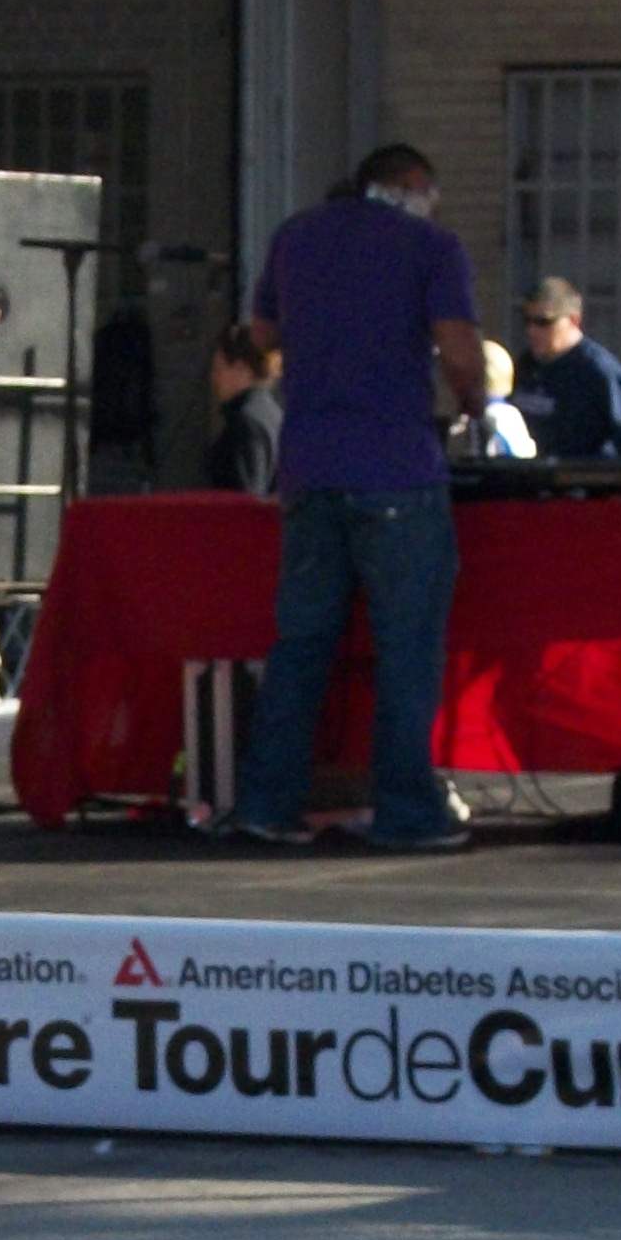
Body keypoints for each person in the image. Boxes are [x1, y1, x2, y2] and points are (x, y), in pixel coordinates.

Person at [228, 144, 486, 850]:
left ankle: (267, 802)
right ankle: (407, 810)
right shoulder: (431, 245)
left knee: (302, 644)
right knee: (407, 647)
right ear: (410, 185)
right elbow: (461, 352)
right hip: (397, 467)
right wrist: (474, 399)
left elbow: (263, 337)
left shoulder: (295, 236)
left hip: (309, 468)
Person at [512, 279, 621, 459]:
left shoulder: (597, 370)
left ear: (574, 320)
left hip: (577, 480)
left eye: (543, 322)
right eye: (527, 321)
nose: (531, 330)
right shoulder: (527, 364)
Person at [201, 323, 283, 496]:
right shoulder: (273, 414)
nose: (214, 378)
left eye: (219, 369)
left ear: (240, 368)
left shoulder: (245, 423)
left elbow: (245, 498)